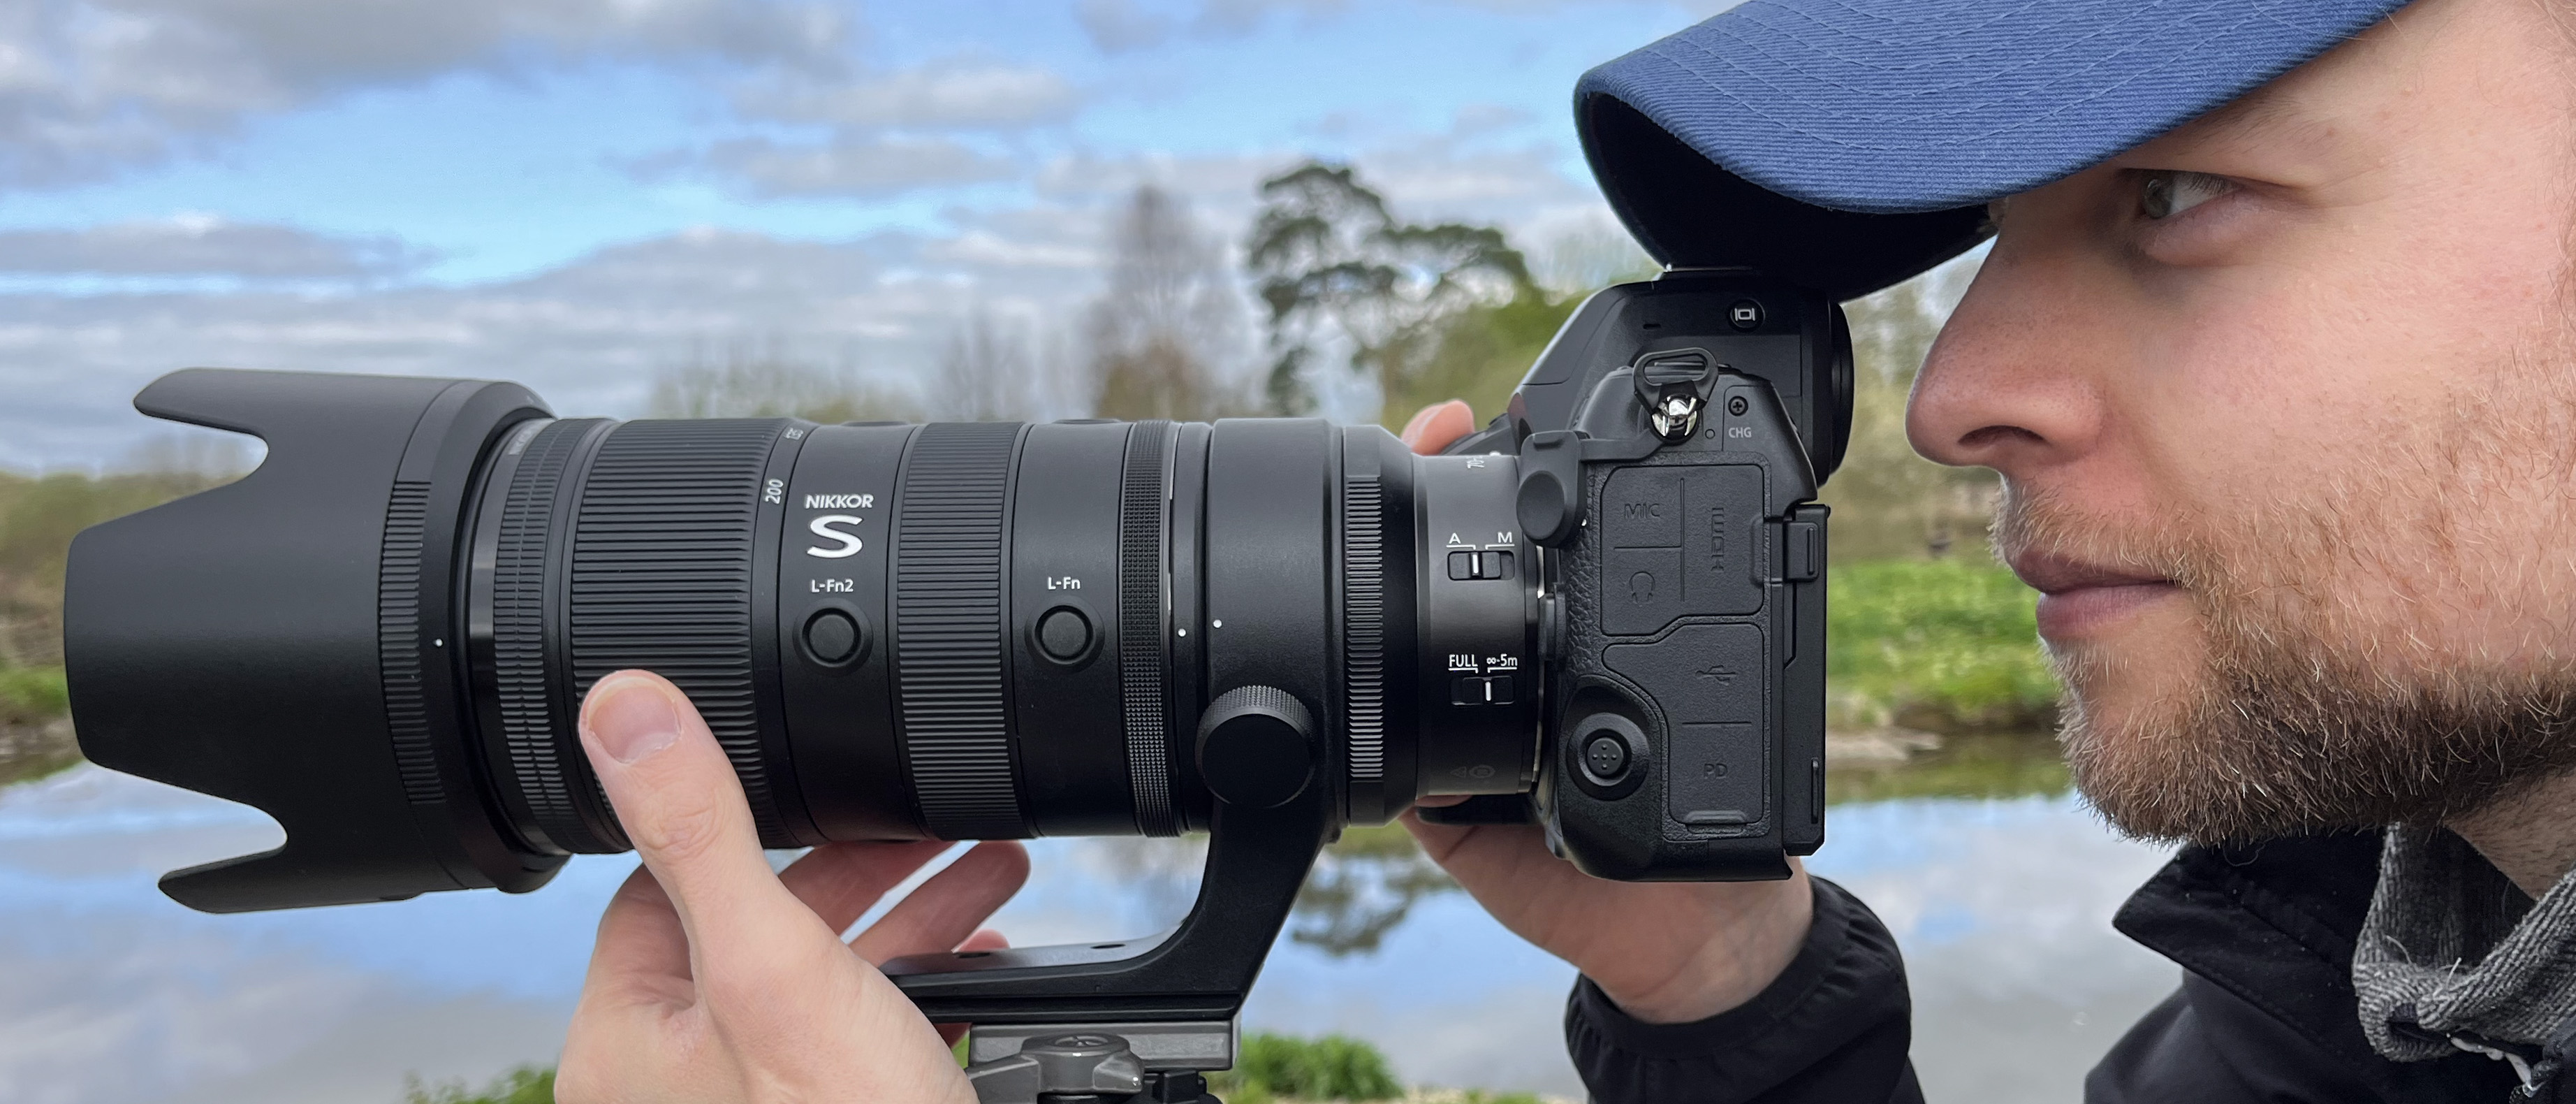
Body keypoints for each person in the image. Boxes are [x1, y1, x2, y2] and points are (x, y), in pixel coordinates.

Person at [555, 0, 2576, 1099]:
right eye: (1981, 243)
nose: (1955, 388)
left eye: (2172, 194)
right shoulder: (2373, 992)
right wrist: (1732, 1001)